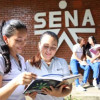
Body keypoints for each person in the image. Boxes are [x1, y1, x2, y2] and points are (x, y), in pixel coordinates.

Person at [26, 31, 72, 100]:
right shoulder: (30, 64)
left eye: (53, 47)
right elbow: (25, 89)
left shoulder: (62, 62)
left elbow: (69, 86)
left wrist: (59, 94)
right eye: (46, 46)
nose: (49, 50)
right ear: (39, 45)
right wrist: (30, 95)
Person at [0, 19, 37, 100]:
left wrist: (29, 91)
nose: (23, 43)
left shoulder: (21, 59)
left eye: (25, 39)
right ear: (6, 39)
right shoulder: (1, 59)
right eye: (18, 40)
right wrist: (16, 81)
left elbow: (19, 89)